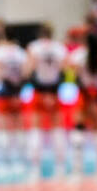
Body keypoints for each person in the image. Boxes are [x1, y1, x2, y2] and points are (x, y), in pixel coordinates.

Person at [25, 23, 70, 177]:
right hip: (55, 90)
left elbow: (28, 71)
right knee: (58, 128)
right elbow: (66, 70)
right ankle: (60, 166)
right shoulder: (60, 48)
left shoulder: (34, 47)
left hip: (39, 90)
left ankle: (35, 167)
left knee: (36, 128)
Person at [68, 25, 97, 177]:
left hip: (84, 94)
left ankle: (78, 169)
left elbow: (70, 71)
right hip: (96, 95)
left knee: (79, 129)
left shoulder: (78, 55)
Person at [0, 22, 29, 175]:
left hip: (4, 93)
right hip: (17, 93)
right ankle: (20, 162)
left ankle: (4, 164)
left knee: (3, 128)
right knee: (19, 127)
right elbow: (26, 73)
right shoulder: (21, 53)